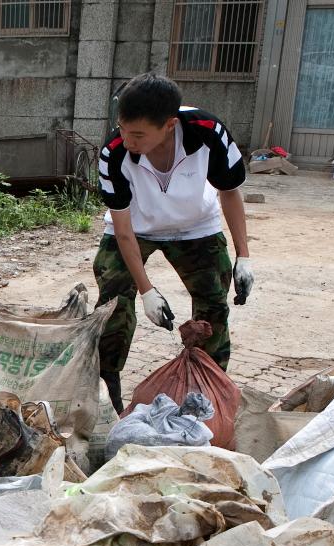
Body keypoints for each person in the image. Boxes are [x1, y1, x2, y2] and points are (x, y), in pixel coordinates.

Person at [95, 71, 254, 412]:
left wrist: (244, 257)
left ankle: (210, 394)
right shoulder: (114, 152)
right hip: (135, 228)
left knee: (214, 303)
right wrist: (146, 290)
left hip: (195, 225)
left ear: (169, 125)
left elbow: (229, 191)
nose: (127, 139)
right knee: (111, 304)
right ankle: (106, 390)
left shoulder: (207, 132)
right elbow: (123, 229)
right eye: (122, 128)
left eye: (137, 134)